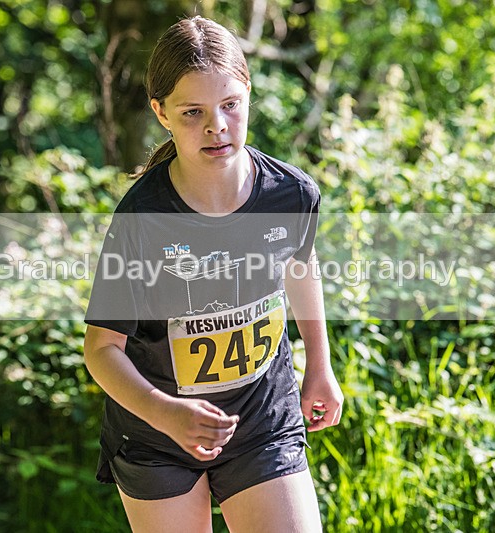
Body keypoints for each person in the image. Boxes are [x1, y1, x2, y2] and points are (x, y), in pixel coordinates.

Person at [83, 16, 343, 532]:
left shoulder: (291, 194)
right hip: (156, 436)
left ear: (248, 93)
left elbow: (300, 269)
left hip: (261, 418)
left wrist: (320, 363)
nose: (216, 125)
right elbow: (101, 350)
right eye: (192, 112)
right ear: (161, 113)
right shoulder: (142, 218)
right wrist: (166, 412)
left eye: (230, 105)